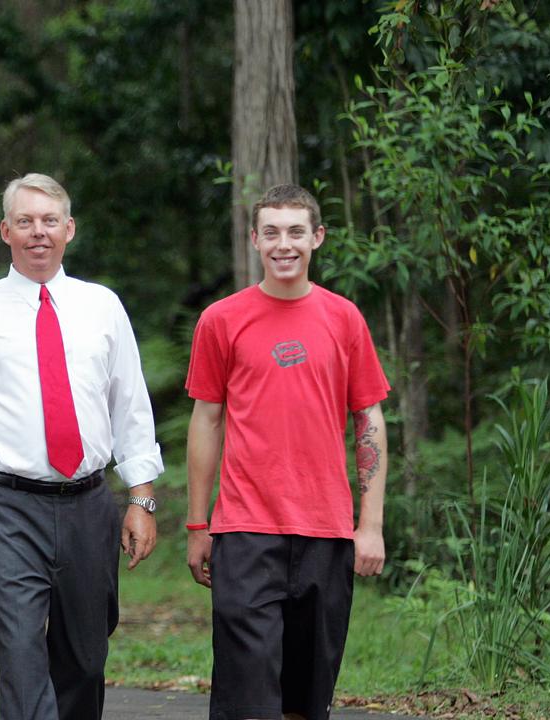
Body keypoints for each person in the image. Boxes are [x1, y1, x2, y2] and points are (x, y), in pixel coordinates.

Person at [0, 173, 163, 720]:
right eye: (25, 221)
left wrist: (141, 499)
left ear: (69, 229)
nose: (38, 232)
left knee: (85, 659)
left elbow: (130, 406)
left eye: (49, 220)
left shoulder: (102, 307)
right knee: (22, 658)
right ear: (6, 230)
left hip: (89, 505)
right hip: (6, 508)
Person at [185, 184, 390, 720]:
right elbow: (207, 420)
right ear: (255, 240)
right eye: (271, 232)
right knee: (247, 695)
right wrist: (196, 524)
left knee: (307, 697)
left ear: (317, 238)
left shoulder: (344, 319)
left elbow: (368, 417)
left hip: (326, 530)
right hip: (246, 531)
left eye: (296, 232)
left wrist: (370, 525)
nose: (284, 244)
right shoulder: (222, 320)